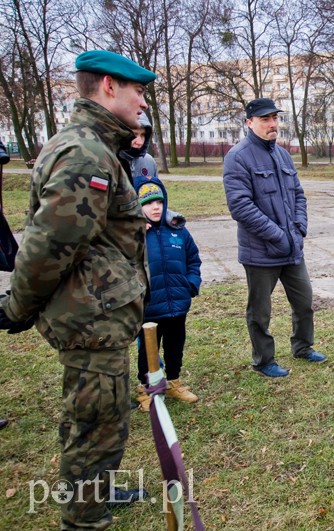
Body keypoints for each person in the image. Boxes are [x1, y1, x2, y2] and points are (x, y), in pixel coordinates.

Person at [0, 50, 157, 528]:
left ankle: (97, 494)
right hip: (91, 319)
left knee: (98, 419)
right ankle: (85, 519)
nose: (143, 102)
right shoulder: (86, 151)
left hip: (100, 314)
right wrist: (15, 308)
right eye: (137, 91)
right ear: (109, 86)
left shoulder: (97, 146)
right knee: (96, 426)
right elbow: (50, 245)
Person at [223, 97, 327, 378]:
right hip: (260, 252)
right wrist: (277, 235)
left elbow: (298, 195)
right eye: (265, 119)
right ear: (249, 123)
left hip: (291, 247)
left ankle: (303, 347)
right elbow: (241, 207)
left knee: (304, 302)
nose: (272, 124)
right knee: (260, 312)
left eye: (275, 119)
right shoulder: (238, 157)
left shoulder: (282, 154)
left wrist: (299, 228)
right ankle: (264, 360)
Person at [134, 180, 202, 411]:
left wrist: (190, 284)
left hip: (177, 303)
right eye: (149, 203)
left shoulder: (178, 230)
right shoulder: (133, 233)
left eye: (159, 202)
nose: (155, 207)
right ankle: (146, 389)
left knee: (175, 345)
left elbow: (193, 259)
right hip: (149, 307)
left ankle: (173, 382)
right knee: (148, 351)